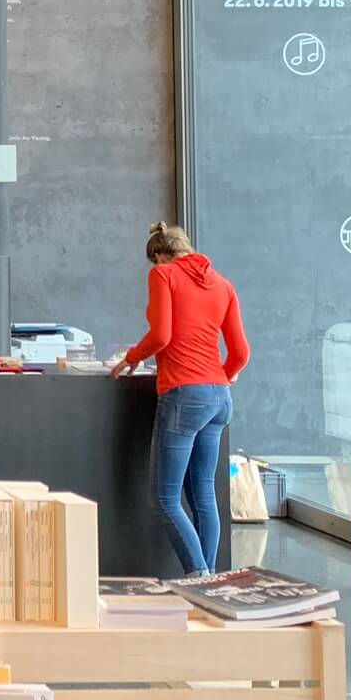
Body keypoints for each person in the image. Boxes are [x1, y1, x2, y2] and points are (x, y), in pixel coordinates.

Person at [111, 222, 251, 575]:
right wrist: (224, 374)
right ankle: (209, 583)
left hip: (184, 395)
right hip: (219, 399)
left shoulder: (164, 275)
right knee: (203, 493)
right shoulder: (224, 285)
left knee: (165, 498)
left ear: (161, 255)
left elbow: (161, 335)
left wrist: (131, 358)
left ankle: (198, 575)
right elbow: (241, 352)